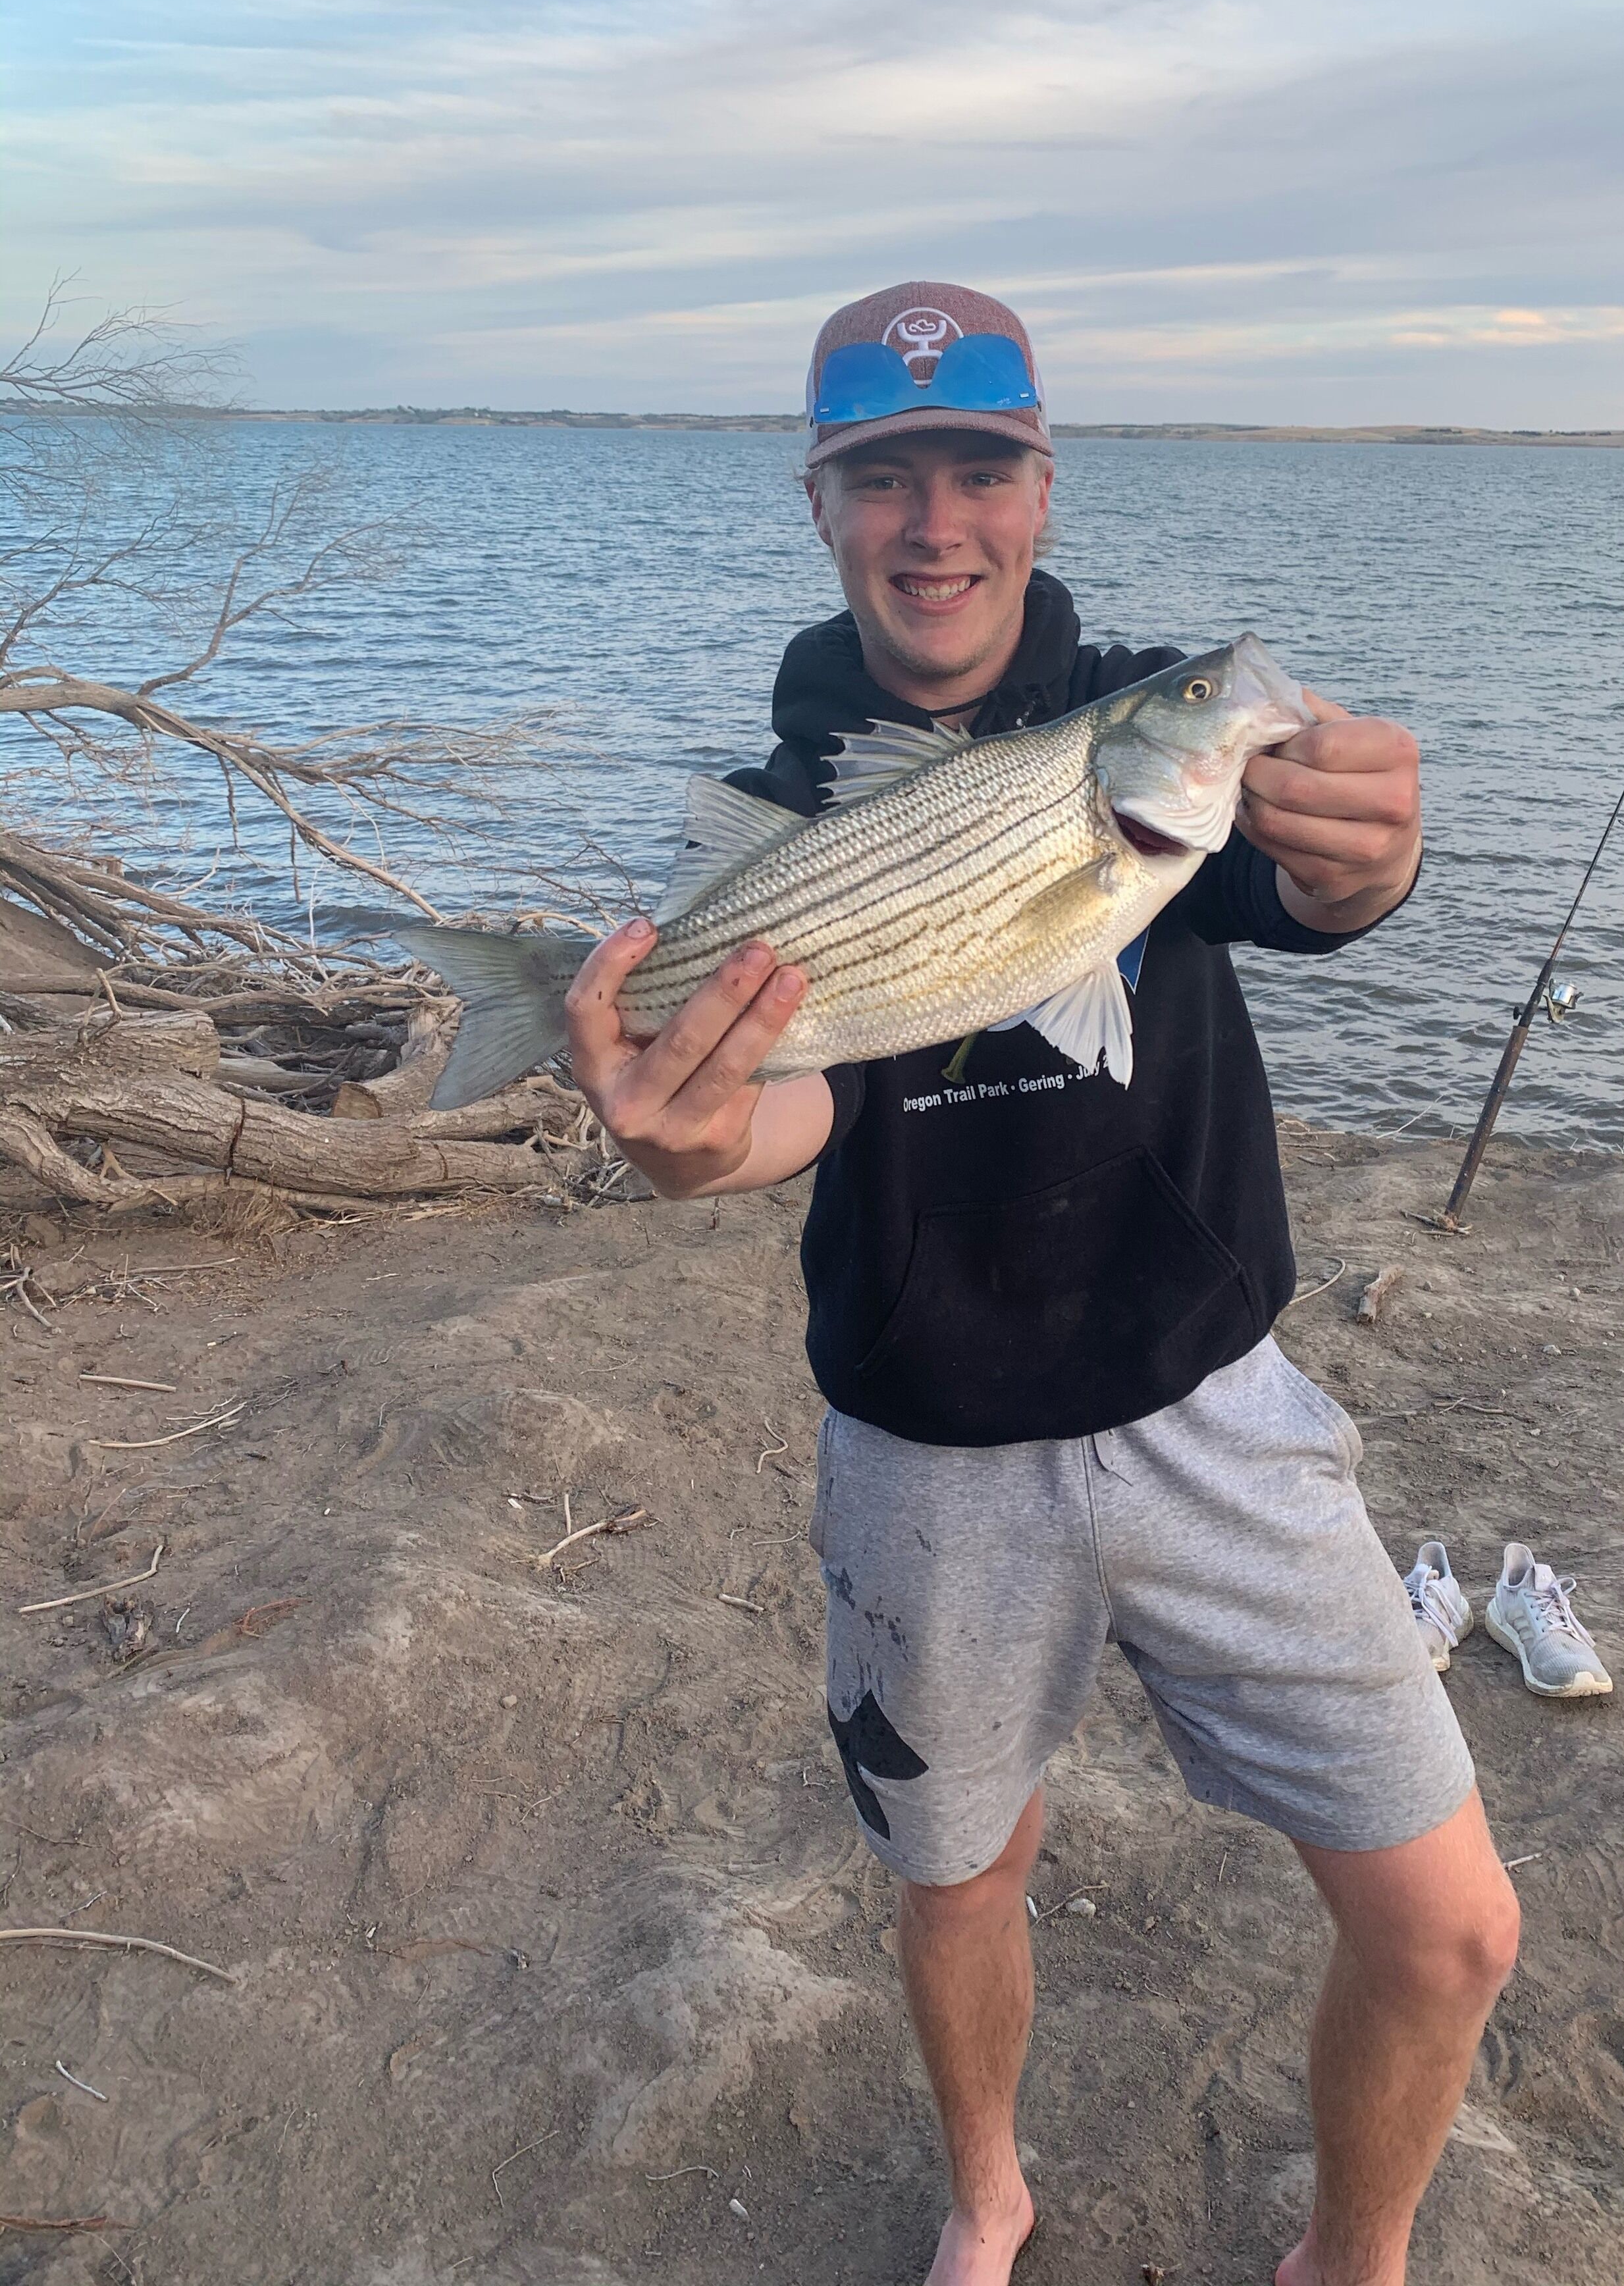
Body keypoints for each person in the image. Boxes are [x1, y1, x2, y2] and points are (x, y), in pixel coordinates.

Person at [565, 282, 1519, 2286]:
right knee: (956, 1882)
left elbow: (1309, 884)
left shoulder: (1151, 722)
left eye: (980, 470)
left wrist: (1371, 857)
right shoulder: (796, 805)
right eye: (884, 478)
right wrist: (690, 1143)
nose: (938, 524)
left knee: (1454, 1931)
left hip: (1211, 1396)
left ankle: (1353, 2261)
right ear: (820, 504)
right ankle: (986, 2193)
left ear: (1044, 487)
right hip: (926, 1438)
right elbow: (794, 1106)